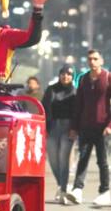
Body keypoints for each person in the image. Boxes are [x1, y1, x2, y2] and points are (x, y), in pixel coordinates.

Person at [67, 49, 111, 206]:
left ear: (101, 61)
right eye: (90, 59)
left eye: (95, 59)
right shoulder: (84, 79)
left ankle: (105, 190)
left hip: (102, 127)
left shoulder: (108, 77)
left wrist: (110, 125)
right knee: (83, 158)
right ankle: (77, 189)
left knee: (102, 161)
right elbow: (78, 105)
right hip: (85, 126)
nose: (92, 61)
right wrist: (74, 127)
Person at [42, 64, 76, 205]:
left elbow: (78, 111)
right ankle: (61, 184)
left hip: (68, 127)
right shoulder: (51, 89)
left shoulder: (75, 92)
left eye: (68, 74)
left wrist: (75, 128)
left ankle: (63, 190)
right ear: (59, 75)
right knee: (53, 160)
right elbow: (43, 107)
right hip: (52, 126)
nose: (65, 76)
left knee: (63, 159)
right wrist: (44, 127)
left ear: (72, 77)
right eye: (63, 73)